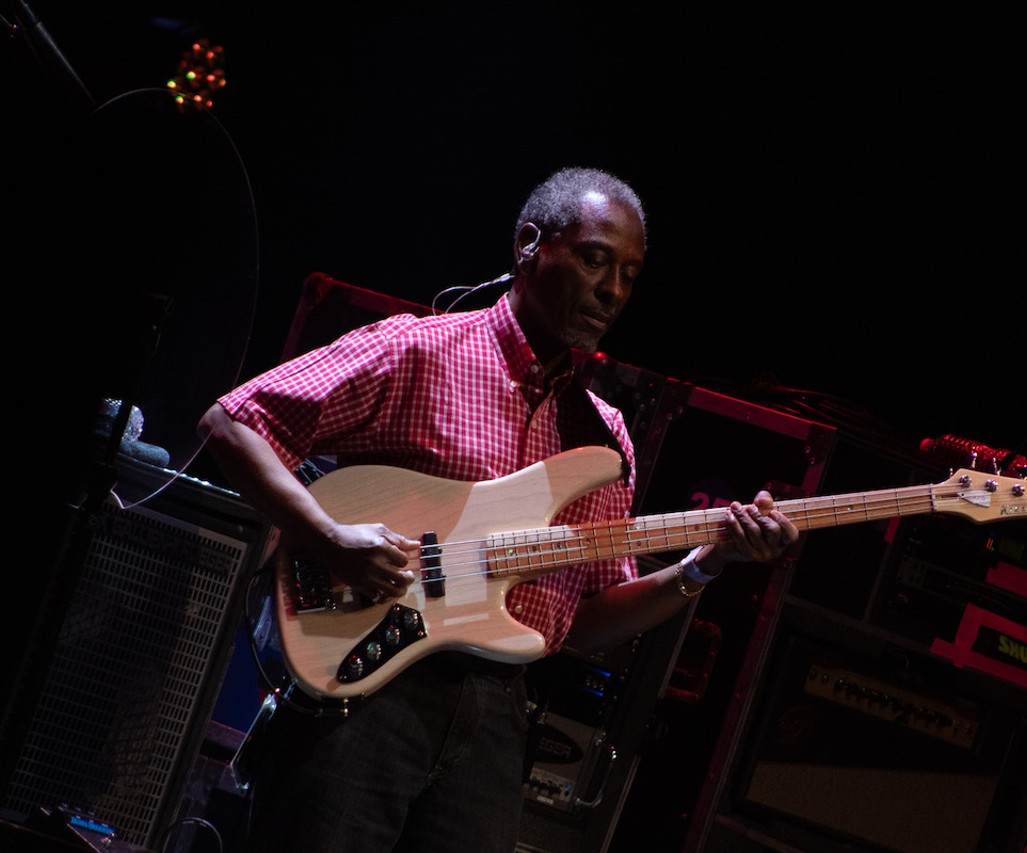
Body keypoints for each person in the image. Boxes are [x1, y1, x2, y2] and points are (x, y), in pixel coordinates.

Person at [197, 166, 798, 853]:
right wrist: (327, 535)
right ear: (530, 243)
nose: (612, 291)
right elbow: (232, 421)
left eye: (629, 274)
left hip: (495, 717)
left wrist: (706, 564)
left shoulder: (603, 435)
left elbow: (586, 618)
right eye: (597, 260)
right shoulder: (419, 349)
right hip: (367, 691)